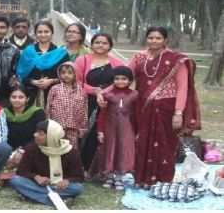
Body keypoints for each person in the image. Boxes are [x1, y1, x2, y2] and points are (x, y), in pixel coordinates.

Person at [124, 27, 200, 189]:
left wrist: (178, 112)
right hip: (143, 107)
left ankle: (163, 179)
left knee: (165, 144)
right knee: (142, 141)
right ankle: (142, 178)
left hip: (167, 108)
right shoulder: (139, 57)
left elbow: (182, 88)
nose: (154, 41)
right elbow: (124, 78)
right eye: (151, 38)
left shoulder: (176, 60)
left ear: (165, 40)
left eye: (158, 38)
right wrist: (108, 93)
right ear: (146, 39)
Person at [75, 33, 125, 173]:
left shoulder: (117, 63)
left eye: (104, 43)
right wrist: (92, 90)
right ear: (91, 44)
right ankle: (78, 166)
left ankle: (95, 168)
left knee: (98, 133)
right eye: (97, 42)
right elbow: (75, 81)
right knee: (82, 132)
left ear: (110, 46)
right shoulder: (82, 61)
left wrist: (103, 93)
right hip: (84, 101)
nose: (100, 45)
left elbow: (121, 82)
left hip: (106, 103)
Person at [9, 119, 84, 207]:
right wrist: (36, 177)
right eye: (36, 132)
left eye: (40, 133)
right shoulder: (32, 149)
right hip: (36, 185)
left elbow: (79, 176)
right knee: (15, 180)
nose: (35, 135)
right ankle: (57, 200)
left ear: (52, 136)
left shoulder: (70, 152)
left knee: (77, 188)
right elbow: (21, 171)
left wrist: (67, 180)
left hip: (58, 187)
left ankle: (31, 196)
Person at [95, 66, 138, 191]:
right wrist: (100, 131)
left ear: (130, 81)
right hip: (110, 129)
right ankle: (109, 176)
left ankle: (119, 177)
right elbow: (102, 115)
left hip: (127, 130)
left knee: (122, 151)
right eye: (117, 79)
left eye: (124, 79)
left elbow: (137, 116)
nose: (120, 81)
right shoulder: (108, 95)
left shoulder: (134, 95)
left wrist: (137, 132)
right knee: (110, 150)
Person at [0, 85, 46, 183]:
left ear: (27, 99)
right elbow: (1, 136)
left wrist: (22, 151)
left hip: (31, 148)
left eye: (21, 97)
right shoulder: (3, 113)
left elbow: (40, 136)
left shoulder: (37, 113)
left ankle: (23, 175)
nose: (17, 100)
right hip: (9, 149)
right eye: (14, 97)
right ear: (9, 98)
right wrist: (9, 154)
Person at [17, 21, 69, 107]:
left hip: (54, 96)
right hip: (30, 95)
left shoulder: (61, 53)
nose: (43, 34)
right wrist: (33, 82)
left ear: (52, 33)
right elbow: (20, 75)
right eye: (40, 32)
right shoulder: (28, 52)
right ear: (36, 34)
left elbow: (67, 77)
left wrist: (51, 81)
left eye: (46, 31)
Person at [45, 62, 88, 149]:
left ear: (75, 74)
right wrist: (48, 124)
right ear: (59, 74)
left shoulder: (82, 92)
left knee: (70, 152)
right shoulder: (55, 89)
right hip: (56, 128)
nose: (66, 75)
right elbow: (48, 107)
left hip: (73, 129)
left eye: (69, 72)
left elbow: (84, 111)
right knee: (54, 150)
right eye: (63, 73)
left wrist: (82, 128)